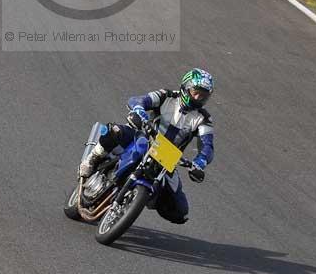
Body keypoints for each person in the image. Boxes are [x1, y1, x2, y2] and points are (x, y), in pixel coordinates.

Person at [79, 68, 215, 224]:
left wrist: (200, 162)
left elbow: (207, 146)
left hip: (168, 156)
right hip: (145, 136)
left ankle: (138, 200)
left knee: (180, 211)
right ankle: (92, 159)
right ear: (186, 87)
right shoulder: (167, 96)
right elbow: (138, 100)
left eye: (203, 95)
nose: (198, 98)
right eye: (195, 92)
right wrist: (138, 110)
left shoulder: (204, 119)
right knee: (116, 131)